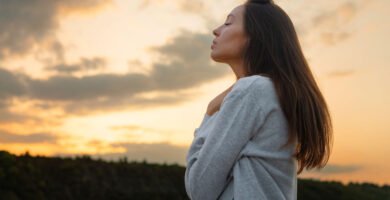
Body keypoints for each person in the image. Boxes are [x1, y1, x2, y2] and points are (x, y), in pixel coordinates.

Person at [184, 0, 333, 199]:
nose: (216, 30)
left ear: (255, 35)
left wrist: (210, 112)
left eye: (228, 23)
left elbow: (199, 189)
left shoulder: (253, 90)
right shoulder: (276, 93)